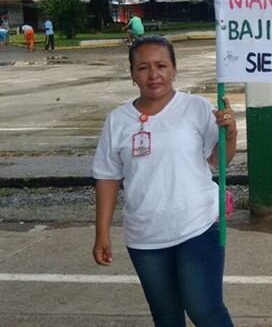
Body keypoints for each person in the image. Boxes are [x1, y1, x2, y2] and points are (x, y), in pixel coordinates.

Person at [93, 35, 237, 326]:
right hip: (145, 236)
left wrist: (231, 133)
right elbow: (108, 177)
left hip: (197, 226)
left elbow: (218, 160)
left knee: (205, 310)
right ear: (132, 74)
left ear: (174, 69)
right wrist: (102, 232)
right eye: (143, 67)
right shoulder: (118, 120)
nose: (153, 74)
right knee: (166, 316)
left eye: (161, 65)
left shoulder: (196, 108)